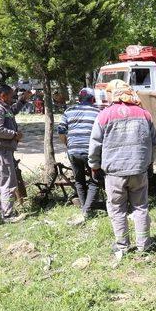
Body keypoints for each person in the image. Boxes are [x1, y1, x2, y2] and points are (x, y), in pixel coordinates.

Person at [88, 80, 156, 257]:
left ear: (113, 95)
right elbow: (154, 143)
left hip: (114, 174)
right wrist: (149, 163)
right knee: (140, 208)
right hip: (139, 171)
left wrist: (94, 166)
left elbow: (95, 145)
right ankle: (144, 245)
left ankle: (122, 246)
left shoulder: (104, 115)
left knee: (117, 210)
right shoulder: (145, 114)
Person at [0, 84, 32, 221]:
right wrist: (14, 134)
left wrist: (22, 101)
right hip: (0, 150)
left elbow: (11, 112)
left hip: (0, 149)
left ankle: (3, 212)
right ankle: (8, 215)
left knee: (2, 181)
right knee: (8, 181)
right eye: (11, 97)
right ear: (3, 95)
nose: (12, 99)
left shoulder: (1, 105)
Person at [57, 88, 101, 220]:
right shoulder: (98, 112)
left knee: (79, 180)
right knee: (95, 180)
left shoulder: (69, 111)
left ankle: (84, 208)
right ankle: (87, 210)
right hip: (90, 151)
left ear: (79, 99)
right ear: (93, 99)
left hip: (73, 151)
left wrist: (68, 144)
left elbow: (61, 131)